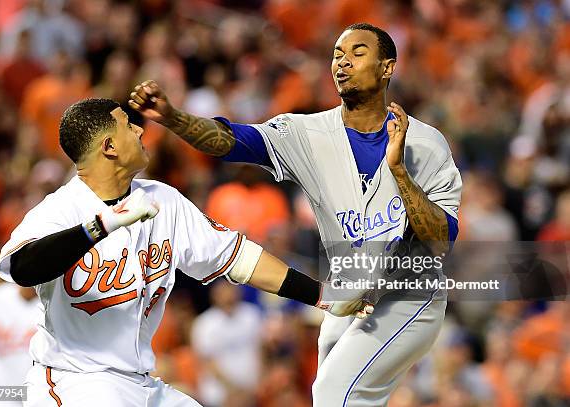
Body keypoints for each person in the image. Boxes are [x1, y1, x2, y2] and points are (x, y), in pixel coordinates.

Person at [129, 22, 462, 406]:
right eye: (337, 55)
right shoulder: (306, 133)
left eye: (357, 53)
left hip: (410, 291)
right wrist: (173, 118)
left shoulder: (424, 143)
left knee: (335, 393)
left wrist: (400, 172)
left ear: (387, 67)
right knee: (332, 396)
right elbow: (231, 141)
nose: (343, 63)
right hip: (348, 293)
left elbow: (440, 241)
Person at [0, 98, 370, 407]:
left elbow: (239, 259)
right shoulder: (61, 210)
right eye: (128, 125)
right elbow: (23, 268)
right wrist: (102, 225)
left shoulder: (163, 200)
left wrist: (321, 296)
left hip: (140, 382)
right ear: (108, 147)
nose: (140, 130)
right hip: (77, 383)